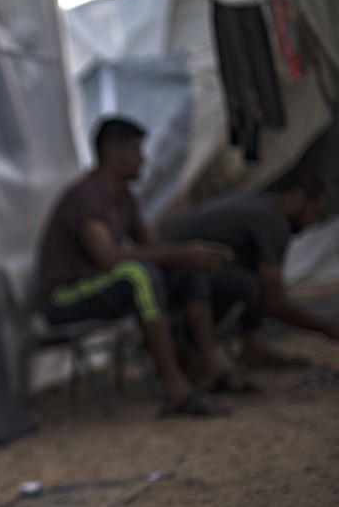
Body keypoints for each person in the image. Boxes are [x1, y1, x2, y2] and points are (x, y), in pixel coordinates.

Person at [36, 116, 252, 418]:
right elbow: (107, 257)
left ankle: (210, 371)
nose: (144, 159)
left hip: (101, 286)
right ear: (114, 154)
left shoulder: (124, 197)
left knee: (182, 269)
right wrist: (180, 252)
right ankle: (174, 390)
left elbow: (153, 247)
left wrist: (187, 256)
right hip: (65, 296)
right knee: (139, 274)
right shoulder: (85, 197)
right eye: (137, 150)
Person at [159, 170, 338, 367]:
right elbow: (275, 302)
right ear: (300, 197)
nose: (311, 222)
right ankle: (188, 348)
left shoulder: (252, 199)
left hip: (165, 266)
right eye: (314, 213)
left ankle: (253, 345)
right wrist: (326, 328)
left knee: (251, 271)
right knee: (245, 283)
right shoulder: (272, 220)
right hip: (176, 273)